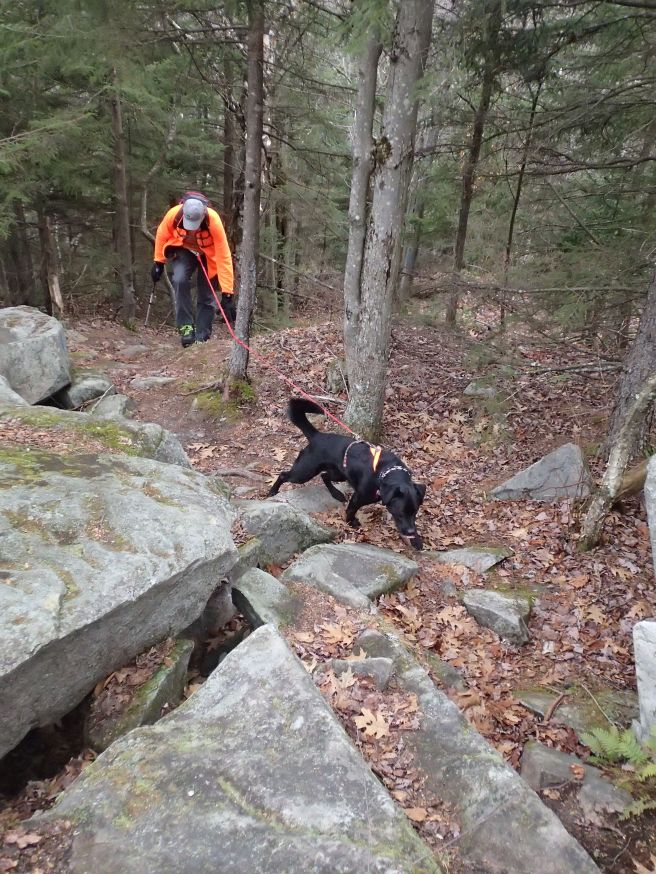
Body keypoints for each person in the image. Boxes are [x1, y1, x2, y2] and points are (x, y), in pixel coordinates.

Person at [151, 192, 236, 347]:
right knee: (179, 279)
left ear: (202, 216)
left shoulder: (214, 221)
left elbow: (224, 256)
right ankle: (186, 327)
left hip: (208, 255)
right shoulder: (174, 214)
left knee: (207, 294)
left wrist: (227, 292)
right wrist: (158, 262)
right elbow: (162, 235)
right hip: (183, 249)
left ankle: (202, 336)